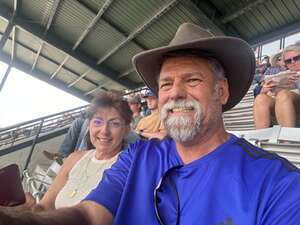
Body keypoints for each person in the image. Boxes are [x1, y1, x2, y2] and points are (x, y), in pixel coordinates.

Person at [1, 23, 300, 225]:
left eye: (192, 80)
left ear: (220, 92)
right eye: (166, 83)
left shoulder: (279, 183)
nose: (175, 92)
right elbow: (90, 215)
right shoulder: (138, 158)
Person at [24, 91, 132, 211]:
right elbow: (44, 205)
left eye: (114, 123)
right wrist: (28, 212)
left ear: (126, 129)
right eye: (97, 122)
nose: (104, 131)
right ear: (89, 125)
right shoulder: (74, 158)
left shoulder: (127, 168)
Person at [253, 43, 300, 129]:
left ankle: (286, 139)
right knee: (260, 98)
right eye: (288, 61)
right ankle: (261, 138)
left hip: (294, 103)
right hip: (282, 106)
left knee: (283, 94)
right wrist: (264, 90)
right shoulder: (281, 74)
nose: (292, 62)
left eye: (297, 58)